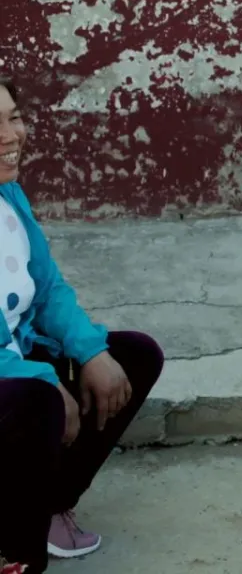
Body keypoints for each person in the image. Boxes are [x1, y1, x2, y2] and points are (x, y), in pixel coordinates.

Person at [0, 75, 165, 573]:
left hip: (15, 355)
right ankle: (18, 553)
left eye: (14, 117)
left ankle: (47, 503)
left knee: (133, 356)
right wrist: (47, 379)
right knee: (36, 402)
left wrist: (91, 351)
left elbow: (46, 287)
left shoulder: (9, 194)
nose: (11, 135)